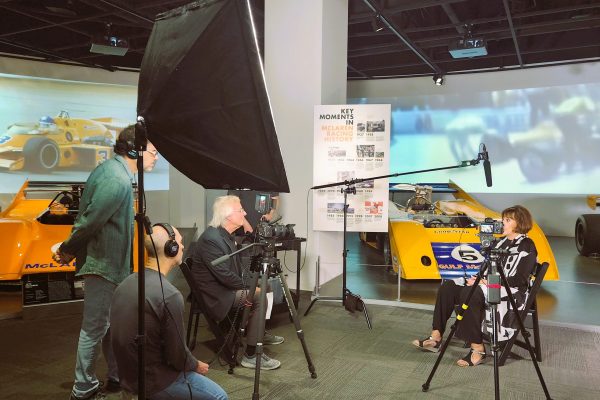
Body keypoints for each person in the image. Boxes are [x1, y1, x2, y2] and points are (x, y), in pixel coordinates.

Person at [53, 125, 159, 400]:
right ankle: (83, 388)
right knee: (94, 328)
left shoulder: (113, 172)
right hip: (104, 267)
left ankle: (115, 375)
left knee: (112, 326)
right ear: (135, 150)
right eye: (153, 151)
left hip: (111, 266)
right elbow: (90, 222)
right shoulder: (117, 180)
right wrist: (67, 249)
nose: (156, 157)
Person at [110, 223, 228, 400]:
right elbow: (177, 356)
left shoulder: (125, 284)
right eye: (179, 242)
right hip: (154, 382)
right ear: (170, 248)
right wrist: (196, 365)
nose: (181, 246)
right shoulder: (169, 295)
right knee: (220, 396)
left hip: (127, 377)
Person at [412, 205, 538, 367]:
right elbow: (488, 269)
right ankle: (436, 337)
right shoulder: (501, 242)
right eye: (503, 219)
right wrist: (478, 278)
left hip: (511, 292)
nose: (502, 223)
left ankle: (478, 347)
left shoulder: (527, 245)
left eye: (507, 220)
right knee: (449, 286)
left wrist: (484, 282)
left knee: (469, 293)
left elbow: (519, 280)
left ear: (519, 223)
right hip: (490, 285)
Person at [192, 195, 284, 370]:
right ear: (228, 216)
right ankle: (250, 354)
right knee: (259, 296)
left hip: (224, 287)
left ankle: (258, 331)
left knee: (267, 285)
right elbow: (225, 276)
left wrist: (254, 282)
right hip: (216, 295)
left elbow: (236, 271)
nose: (245, 212)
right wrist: (252, 287)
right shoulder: (211, 239)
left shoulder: (225, 235)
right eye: (240, 210)